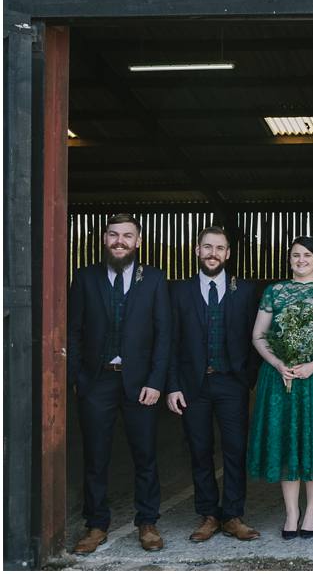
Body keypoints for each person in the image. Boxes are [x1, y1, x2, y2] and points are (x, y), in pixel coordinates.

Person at [66, 213, 171, 554]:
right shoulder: (84, 277)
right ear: (105, 239)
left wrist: (157, 382)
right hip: (97, 383)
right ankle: (96, 525)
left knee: (145, 455)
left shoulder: (154, 279)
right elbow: (74, 331)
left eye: (127, 235)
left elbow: (163, 335)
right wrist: (80, 378)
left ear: (138, 242)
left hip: (141, 384)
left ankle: (148, 522)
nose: (120, 241)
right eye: (113, 235)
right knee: (96, 457)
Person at [247, 236, 313, 540]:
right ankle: (291, 512)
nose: (300, 260)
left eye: (307, 255)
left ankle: (312, 510)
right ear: (289, 260)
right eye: (295, 256)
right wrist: (279, 364)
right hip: (281, 377)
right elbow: (259, 335)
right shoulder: (274, 292)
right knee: (286, 442)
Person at [165, 226, 261, 543]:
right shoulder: (179, 291)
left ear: (228, 254)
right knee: (200, 450)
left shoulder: (245, 290)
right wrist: (173, 385)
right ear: (197, 250)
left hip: (231, 384)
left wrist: (248, 378)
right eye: (207, 247)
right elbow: (171, 341)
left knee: (235, 450)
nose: (213, 254)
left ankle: (232, 515)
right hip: (193, 386)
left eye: (219, 248)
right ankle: (208, 515)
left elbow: (256, 337)